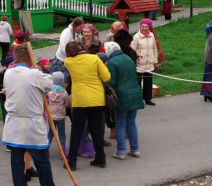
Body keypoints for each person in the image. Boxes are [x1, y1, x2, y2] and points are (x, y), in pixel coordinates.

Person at [1, 44, 65, 186]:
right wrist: (38, 70)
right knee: (42, 160)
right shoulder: (35, 74)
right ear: (30, 58)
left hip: (14, 123)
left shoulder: (8, 73)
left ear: (15, 58)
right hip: (31, 123)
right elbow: (50, 83)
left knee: (17, 161)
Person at [64, 41, 111, 171]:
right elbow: (106, 77)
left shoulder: (69, 62)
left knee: (76, 130)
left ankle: (72, 161)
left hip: (80, 101)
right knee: (96, 129)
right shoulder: (95, 58)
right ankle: (100, 158)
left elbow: (68, 59)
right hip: (97, 99)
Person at [104, 42, 144, 160]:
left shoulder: (112, 62)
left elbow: (112, 82)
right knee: (131, 123)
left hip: (121, 95)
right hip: (134, 93)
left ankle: (121, 151)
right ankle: (135, 149)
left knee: (120, 124)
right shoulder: (128, 58)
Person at [131, 18, 159, 106]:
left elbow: (154, 48)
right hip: (139, 63)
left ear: (149, 27)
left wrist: (155, 61)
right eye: (142, 26)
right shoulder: (136, 37)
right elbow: (132, 50)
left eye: (146, 26)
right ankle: (138, 100)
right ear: (140, 26)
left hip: (149, 62)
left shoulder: (152, 35)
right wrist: (135, 59)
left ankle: (148, 99)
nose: (144, 28)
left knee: (148, 81)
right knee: (138, 82)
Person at [50, 17, 84, 84]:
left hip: (72, 60)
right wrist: (73, 55)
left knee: (69, 79)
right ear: (75, 26)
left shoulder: (79, 33)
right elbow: (63, 48)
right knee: (61, 80)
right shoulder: (66, 33)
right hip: (62, 59)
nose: (82, 29)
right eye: (80, 27)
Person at [47, 72, 72, 160]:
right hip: (61, 116)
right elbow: (68, 103)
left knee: (50, 132)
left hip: (51, 115)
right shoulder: (64, 92)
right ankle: (63, 153)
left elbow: (46, 101)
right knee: (61, 134)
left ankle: (46, 151)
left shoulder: (49, 91)